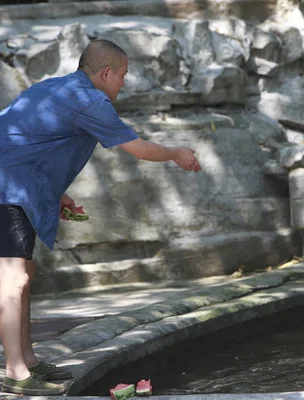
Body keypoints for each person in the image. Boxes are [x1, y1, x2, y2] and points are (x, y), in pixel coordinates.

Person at [0, 39, 201, 395]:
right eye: (123, 75)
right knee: (12, 280)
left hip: (17, 187)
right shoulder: (90, 100)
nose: (124, 82)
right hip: (8, 191)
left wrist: (52, 191)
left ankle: (28, 360)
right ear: (106, 72)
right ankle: (15, 372)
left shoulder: (53, 87)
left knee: (24, 277)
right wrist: (177, 153)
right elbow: (138, 149)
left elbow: (23, 139)